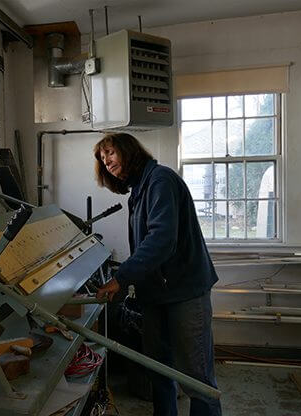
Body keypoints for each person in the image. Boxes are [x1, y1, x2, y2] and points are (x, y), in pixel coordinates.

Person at [94, 132, 221, 416]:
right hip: (155, 295)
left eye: (111, 153)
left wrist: (121, 277)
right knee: (158, 370)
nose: (107, 162)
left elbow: (161, 240)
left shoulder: (160, 180)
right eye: (103, 159)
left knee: (196, 377)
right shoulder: (138, 191)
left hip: (185, 292)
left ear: (129, 151)